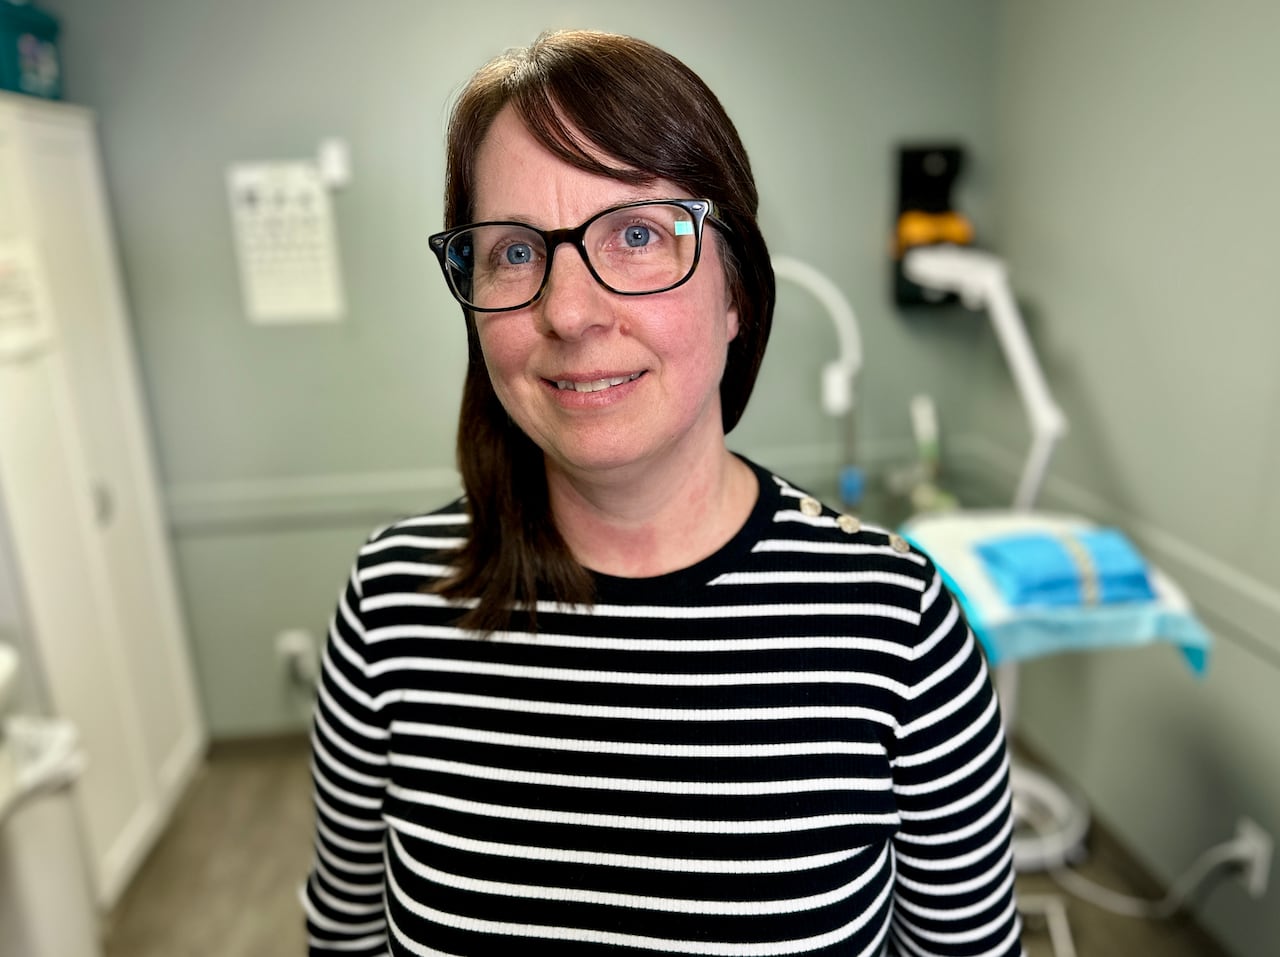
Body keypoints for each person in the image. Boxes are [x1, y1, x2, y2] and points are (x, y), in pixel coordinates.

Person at [302, 29, 1023, 957]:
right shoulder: (391, 604)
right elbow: (346, 936)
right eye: (515, 253)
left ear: (737, 294)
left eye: (637, 234)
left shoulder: (895, 630)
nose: (566, 311)